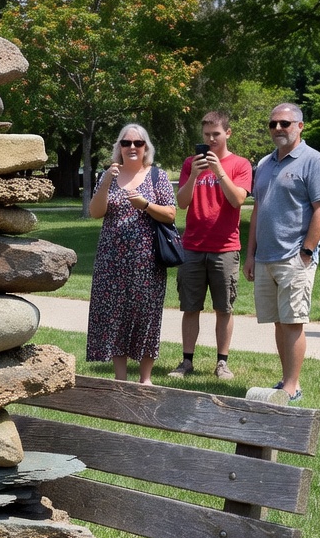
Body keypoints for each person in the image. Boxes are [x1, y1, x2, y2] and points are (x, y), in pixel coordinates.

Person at [244, 103, 320, 404]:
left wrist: (306, 251)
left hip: (295, 256)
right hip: (266, 257)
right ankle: (285, 380)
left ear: (300, 126)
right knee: (279, 322)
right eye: (273, 124)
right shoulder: (265, 163)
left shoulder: (314, 162)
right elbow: (258, 208)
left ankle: (292, 387)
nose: (278, 128)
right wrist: (250, 253)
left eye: (285, 123)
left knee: (293, 321)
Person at [87, 124, 177, 384]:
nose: (132, 147)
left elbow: (171, 214)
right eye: (126, 143)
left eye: (138, 143)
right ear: (119, 147)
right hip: (111, 260)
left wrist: (145, 205)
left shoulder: (157, 176)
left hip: (147, 261)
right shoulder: (109, 176)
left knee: (146, 314)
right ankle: (120, 378)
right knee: (116, 314)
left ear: (146, 147)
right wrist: (105, 182)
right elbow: (96, 212)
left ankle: (145, 378)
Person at [167, 110, 252, 381]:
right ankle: (186, 361)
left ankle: (222, 363)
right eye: (206, 135)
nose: (211, 139)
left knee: (223, 308)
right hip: (192, 245)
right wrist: (193, 174)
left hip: (225, 247)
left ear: (228, 133)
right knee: (190, 306)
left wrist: (218, 172)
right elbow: (182, 202)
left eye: (216, 134)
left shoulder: (240, 164)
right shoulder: (191, 163)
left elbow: (237, 200)